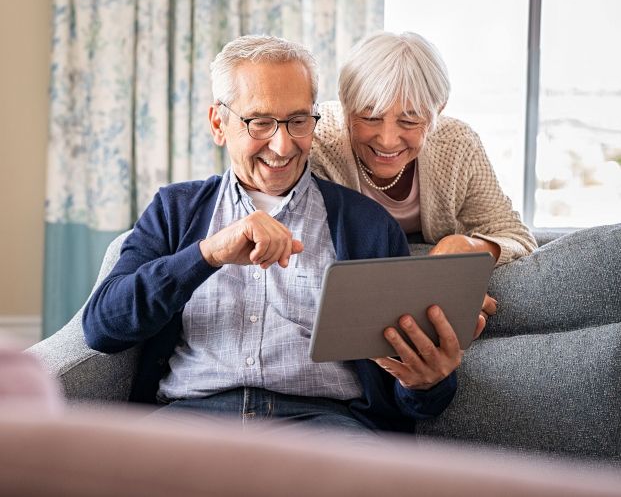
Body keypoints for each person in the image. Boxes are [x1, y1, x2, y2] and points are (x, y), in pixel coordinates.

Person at [82, 34, 461, 436]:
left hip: (325, 430)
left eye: (297, 121)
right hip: (189, 424)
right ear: (219, 123)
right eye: (260, 122)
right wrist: (207, 254)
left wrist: (427, 383)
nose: (281, 146)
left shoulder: (367, 225)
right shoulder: (176, 209)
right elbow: (103, 327)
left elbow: (413, 396)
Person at [310, 31, 539, 335]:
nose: (388, 140)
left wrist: (469, 247)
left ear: (437, 111)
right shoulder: (318, 142)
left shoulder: (457, 144)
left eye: (409, 121)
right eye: (370, 118)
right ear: (345, 105)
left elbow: (517, 237)